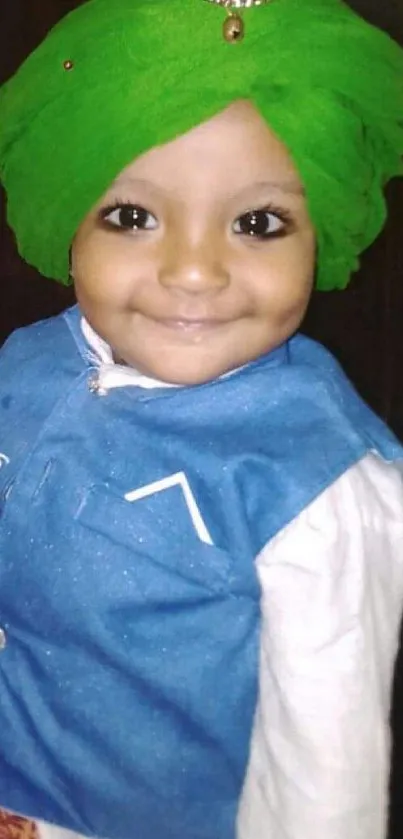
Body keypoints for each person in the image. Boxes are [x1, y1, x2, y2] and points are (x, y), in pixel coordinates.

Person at [0, 1, 403, 838]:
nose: (192, 270)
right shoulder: (25, 364)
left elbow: (320, 778)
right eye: (131, 216)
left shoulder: (316, 485)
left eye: (257, 224)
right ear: (69, 223)